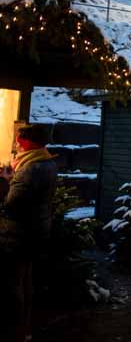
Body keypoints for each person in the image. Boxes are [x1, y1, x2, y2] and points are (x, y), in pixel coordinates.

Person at [0, 125, 58, 342]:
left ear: (26, 143)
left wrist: (5, 182)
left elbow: (11, 204)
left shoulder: (29, 169)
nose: (16, 144)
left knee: (15, 283)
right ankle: (25, 328)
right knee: (26, 280)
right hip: (36, 231)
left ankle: (18, 330)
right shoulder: (47, 162)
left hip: (18, 234)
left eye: (18, 140)